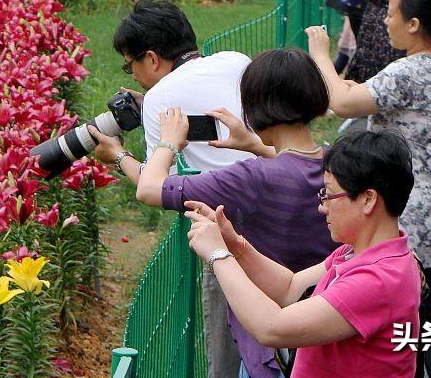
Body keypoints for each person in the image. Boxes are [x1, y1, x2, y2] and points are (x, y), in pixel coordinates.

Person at [96, 49, 334, 378]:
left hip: (272, 352)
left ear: (253, 108)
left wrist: (162, 145)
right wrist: (254, 144)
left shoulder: (251, 178)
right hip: (331, 330)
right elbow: (298, 159)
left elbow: (149, 189)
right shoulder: (340, 163)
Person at [304, 0, 431, 378]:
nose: (385, 21)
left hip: (409, 216)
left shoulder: (409, 70)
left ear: (414, 24)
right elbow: (363, 94)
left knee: (409, 335)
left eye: (392, 14)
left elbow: (344, 102)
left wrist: (321, 55)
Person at [182, 130, 421, 378]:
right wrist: (235, 245)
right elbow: (290, 289)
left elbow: (271, 328)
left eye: (329, 194)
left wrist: (219, 255)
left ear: (368, 200)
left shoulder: (378, 279)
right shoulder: (359, 252)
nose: (322, 206)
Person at [106, 0, 251, 378]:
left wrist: (118, 155)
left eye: (131, 64)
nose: (133, 75)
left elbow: (156, 184)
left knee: (228, 349)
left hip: (229, 229)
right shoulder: (236, 60)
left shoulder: (159, 99)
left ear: (151, 59)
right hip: (277, 200)